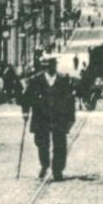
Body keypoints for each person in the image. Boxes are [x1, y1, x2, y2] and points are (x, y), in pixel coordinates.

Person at [21, 53, 77, 181]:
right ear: (44, 68)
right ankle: (45, 165)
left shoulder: (63, 81)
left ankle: (57, 170)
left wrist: (70, 118)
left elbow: (70, 101)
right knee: (42, 143)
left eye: (53, 66)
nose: (51, 69)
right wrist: (25, 113)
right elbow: (26, 98)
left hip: (59, 117)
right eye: (48, 66)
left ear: (55, 66)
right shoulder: (36, 81)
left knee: (60, 144)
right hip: (41, 117)